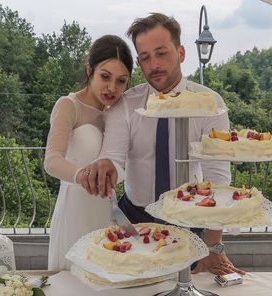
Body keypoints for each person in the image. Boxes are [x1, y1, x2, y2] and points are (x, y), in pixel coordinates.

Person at [78, 13, 244, 276]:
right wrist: (104, 165)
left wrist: (214, 246)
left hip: (191, 220)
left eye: (161, 53)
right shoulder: (127, 104)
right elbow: (113, 155)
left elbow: (218, 177)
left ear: (180, 52)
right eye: (144, 57)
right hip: (134, 220)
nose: (153, 64)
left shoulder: (209, 103)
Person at [43, 35, 134, 270]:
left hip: (107, 209)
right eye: (105, 76)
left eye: (121, 81)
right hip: (75, 209)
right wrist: (84, 175)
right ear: (88, 70)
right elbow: (52, 161)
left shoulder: (119, 112)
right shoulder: (68, 105)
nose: (112, 88)